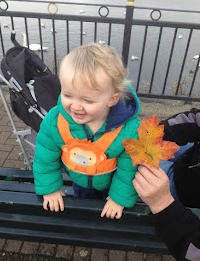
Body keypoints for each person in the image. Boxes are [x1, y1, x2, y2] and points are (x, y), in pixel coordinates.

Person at [33, 42, 141, 219]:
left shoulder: (128, 130)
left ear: (112, 99)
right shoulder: (56, 121)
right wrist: (50, 189)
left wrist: (119, 198)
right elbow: (45, 159)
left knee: (110, 217)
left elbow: (128, 169)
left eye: (88, 101)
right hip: (79, 180)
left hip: (111, 183)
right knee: (84, 214)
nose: (75, 106)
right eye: (67, 95)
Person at [133, 108, 200, 260]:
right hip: (189, 160)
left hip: (181, 191)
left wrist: (163, 205)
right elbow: (196, 119)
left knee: (132, 169)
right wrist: (160, 132)